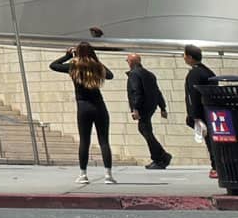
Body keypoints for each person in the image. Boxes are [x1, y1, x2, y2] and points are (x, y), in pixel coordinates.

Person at [50, 40, 116, 183]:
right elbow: (110, 75)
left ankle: (83, 174)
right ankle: (108, 175)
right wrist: (95, 60)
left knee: (84, 141)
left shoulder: (74, 66)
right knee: (104, 141)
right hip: (99, 106)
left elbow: (53, 65)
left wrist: (68, 56)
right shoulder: (97, 66)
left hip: (83, 106)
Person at [122, 54, 172, 170]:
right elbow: (157, 92)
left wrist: (135, 108)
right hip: (150, 106)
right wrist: (162, 107)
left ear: (132, 62)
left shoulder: (134, 74)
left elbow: (136, 91)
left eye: (128, 60)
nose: (127, 62)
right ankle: (161, 157)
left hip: (143, 107)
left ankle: (161, 157)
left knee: (145, 130)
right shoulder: (149, 74)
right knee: (145, 130)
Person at [182, 45, 219, 180]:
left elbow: (193, 96)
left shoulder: (194, 74)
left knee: (210, 141)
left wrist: (195, 116)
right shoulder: (208, 72)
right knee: (214, 140)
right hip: (213, 111)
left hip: (202, 113)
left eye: (184, 55)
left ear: (190, 57)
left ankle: (216, 167)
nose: (184, 58)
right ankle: (218, 165)